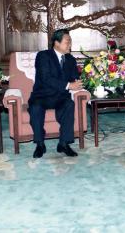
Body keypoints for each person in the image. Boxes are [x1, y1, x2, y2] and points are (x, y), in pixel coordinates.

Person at [28, 29, 83, 158]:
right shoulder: (43, 56)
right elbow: (46, 78)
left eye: (70, 42)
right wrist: (69, 85)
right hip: (42, 95)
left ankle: (63, 143)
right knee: (35, 108)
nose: (70, 44)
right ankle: (40, 144)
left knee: (69, 104)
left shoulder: (70, 59)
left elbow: (75, 77)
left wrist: (83, 80)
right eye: (67, 42)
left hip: (60, 96)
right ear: (56, 43)